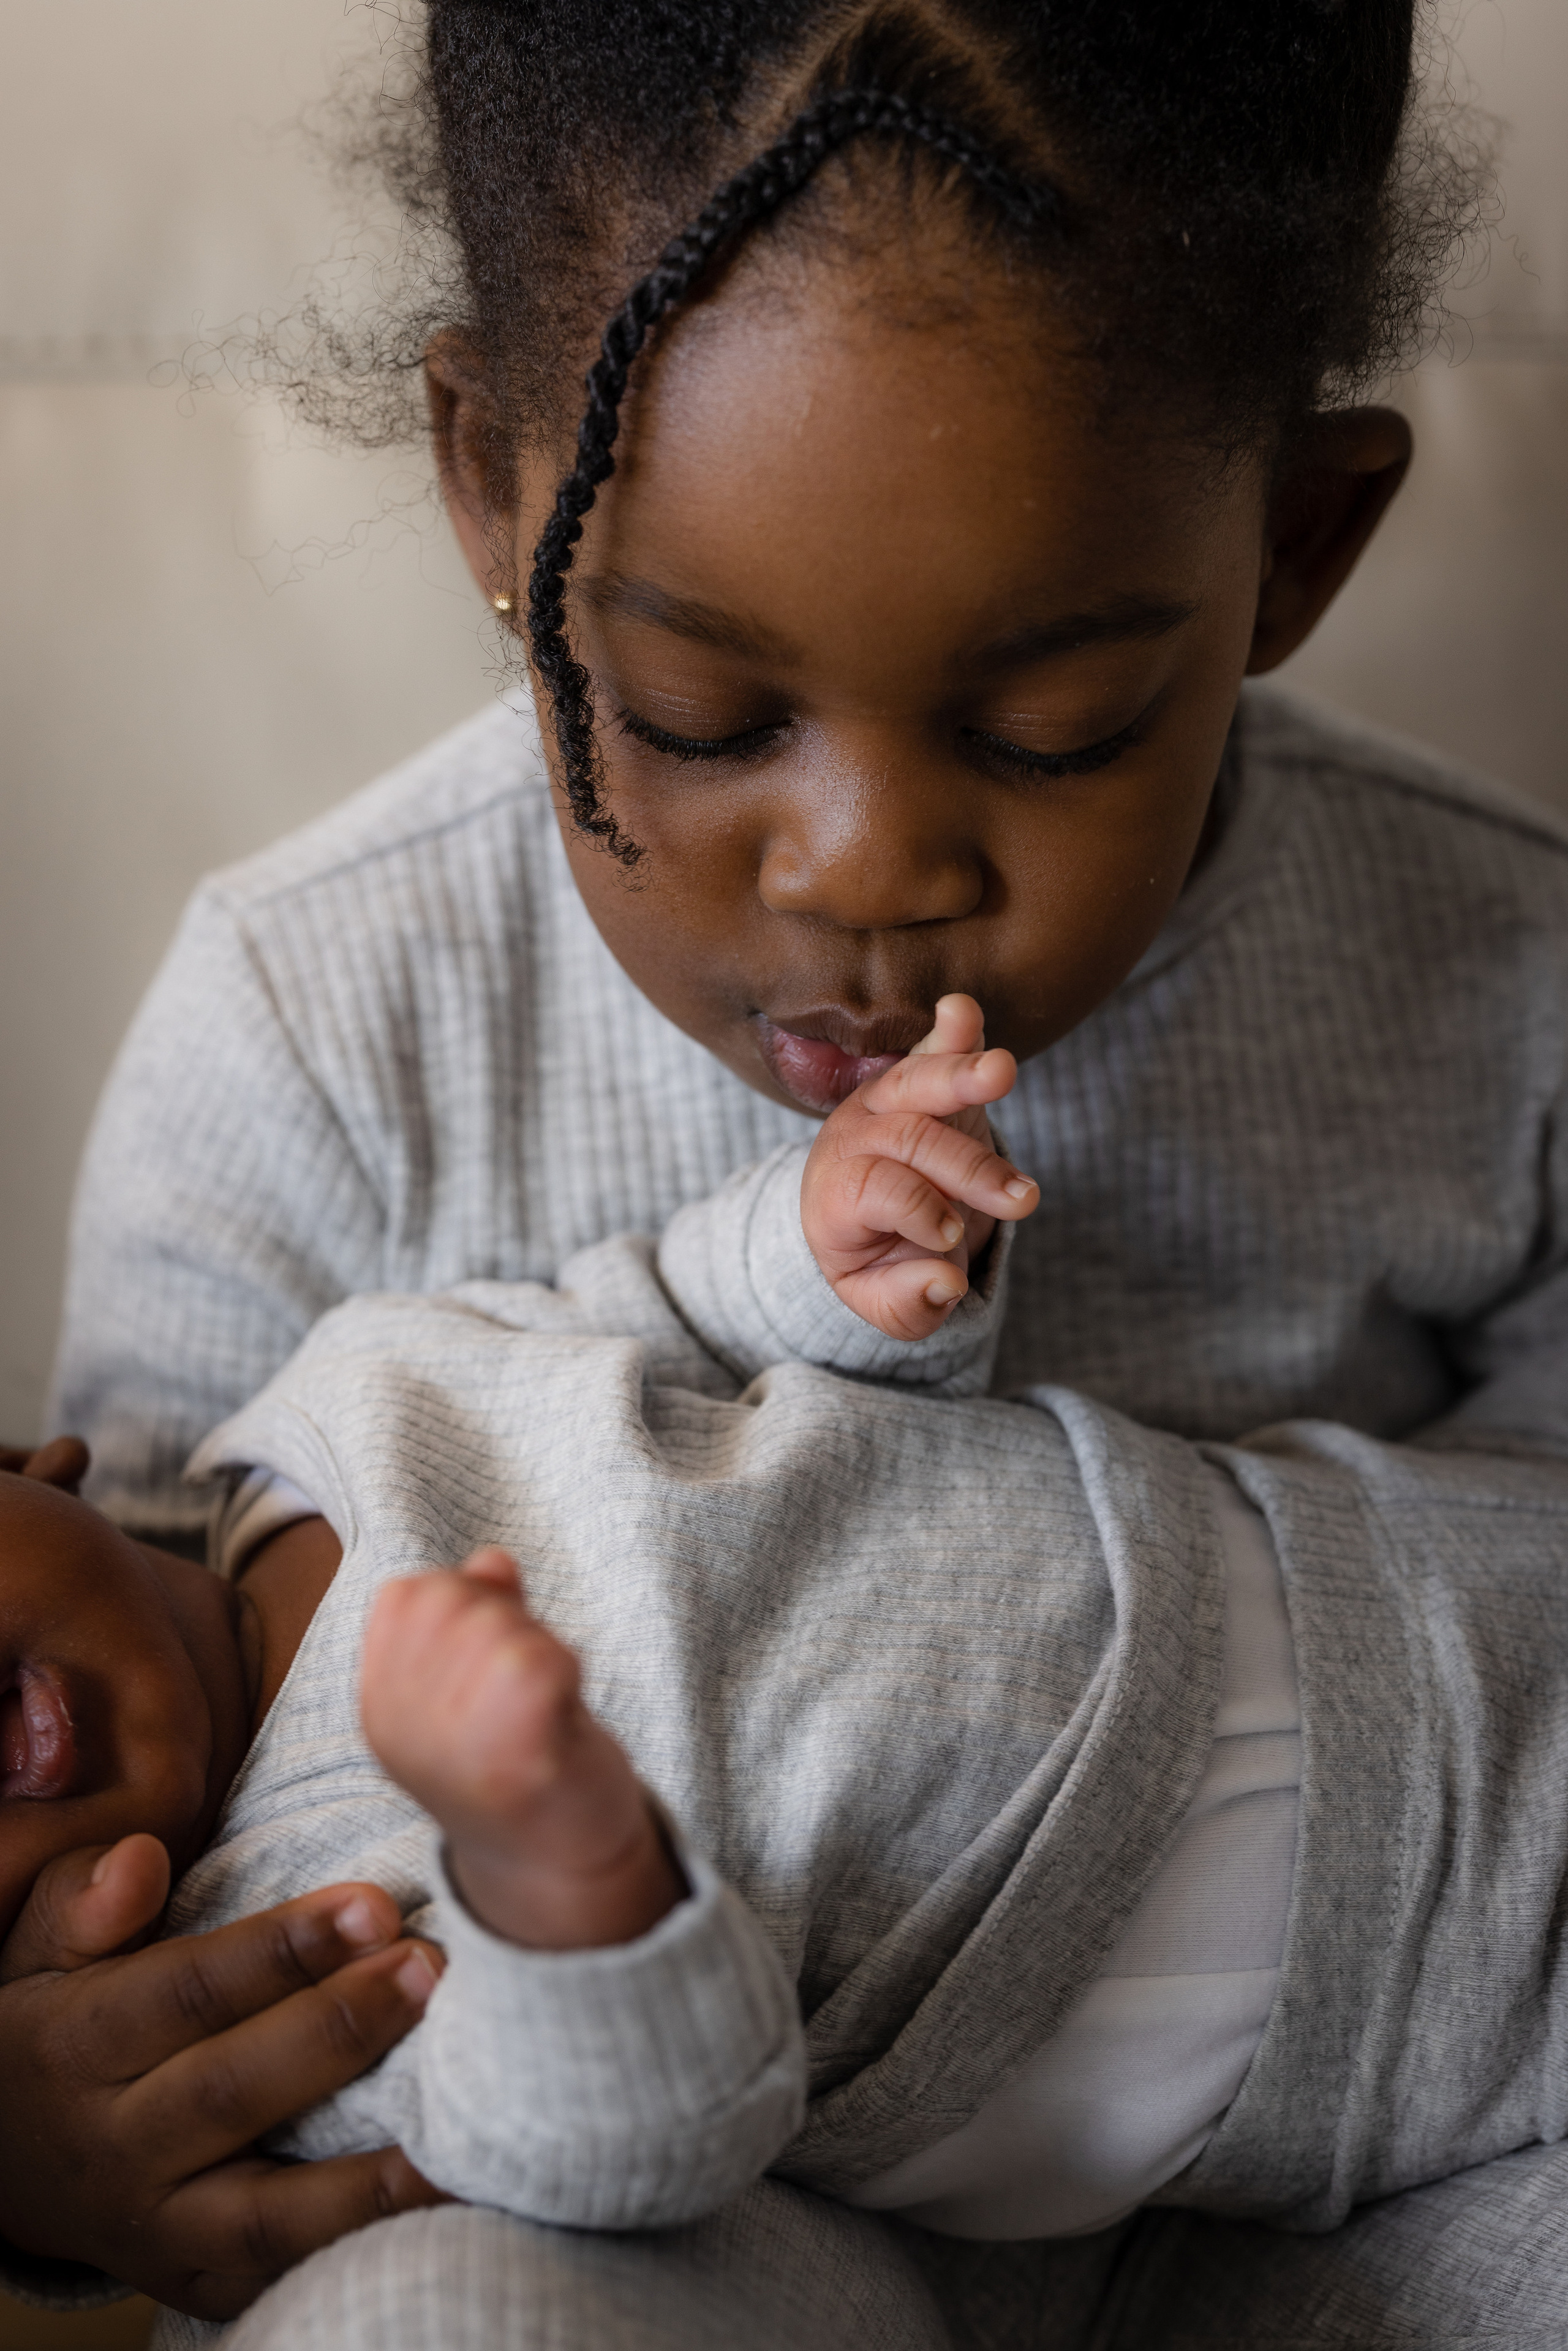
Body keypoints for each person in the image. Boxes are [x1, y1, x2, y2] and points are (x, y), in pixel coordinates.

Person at [18, 0, 1568, 2336]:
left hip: (1399, 2129)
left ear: (1295, 543)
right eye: (701, 717)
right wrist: (44, 2159)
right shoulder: (316, 1020)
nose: (865, 874)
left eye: (1054, 732)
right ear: (486, 480)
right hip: (689, 2194)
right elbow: (137, 1667)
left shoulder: (1490, 971)